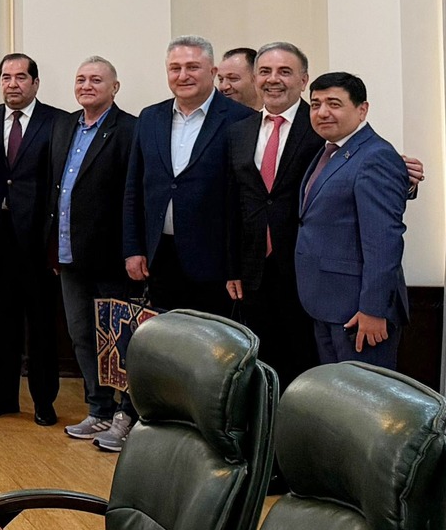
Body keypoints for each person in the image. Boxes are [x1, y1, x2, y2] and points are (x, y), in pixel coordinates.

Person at [47, 59, 139, 451]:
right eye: (81, 79)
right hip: (69, 253)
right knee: (82, 335)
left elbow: (133, 194)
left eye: (96, 80)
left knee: (120, 341)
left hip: (111, 257)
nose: (87, 85)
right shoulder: (65, 125)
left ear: (114, 87)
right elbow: (55, 189)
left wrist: (134, 250)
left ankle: (127, 415)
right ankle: (98, 408)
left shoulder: (129, 129)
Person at [224, 40, 326, 387]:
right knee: (262, 366)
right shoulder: (239, 131)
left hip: (304, 268)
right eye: (265, 71)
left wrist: (404, 176)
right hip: (253, 271)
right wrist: (233, 267)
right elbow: (234, 203)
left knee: (304, 364)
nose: (273, 79)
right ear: (255, 78)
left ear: (303, 80)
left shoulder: (321, 126)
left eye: (285, 71)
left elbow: (358, 162)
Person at [0, 53, 68, 424]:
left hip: (38, 242)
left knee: (42, 325)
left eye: (21, 77)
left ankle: (44, 401)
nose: (12, 84)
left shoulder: (58, 122)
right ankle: (5, 396)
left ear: (35, 83)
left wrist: (56, 247)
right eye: (6, 77)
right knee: (2, 324)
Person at [295, 72, 411, 370]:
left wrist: (374, 309)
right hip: (326, 304)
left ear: (362, 109)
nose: (322, 112)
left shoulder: (375, 156)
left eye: (334, 104)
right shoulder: (329, 152)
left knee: (363, 395)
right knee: (336, 395)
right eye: (315, 104)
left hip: (359, 312)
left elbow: (384, 241)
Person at [122, 36, 245, 316]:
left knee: (211, 339)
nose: (183, 75)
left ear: (212, 72)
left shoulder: (240, 119)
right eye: (175, 68)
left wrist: (236, 266)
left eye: (192, 67)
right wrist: (133, 248)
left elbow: (242, 200)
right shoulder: (150, 118)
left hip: (214, 262)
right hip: (159, 257)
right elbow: (133, 189)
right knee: (166, 338)